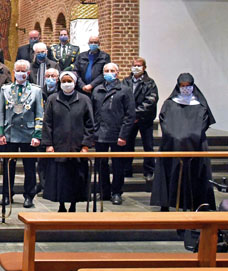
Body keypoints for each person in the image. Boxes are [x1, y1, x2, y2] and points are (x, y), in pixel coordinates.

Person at [151, 73, 216, 211]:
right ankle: (167, 202)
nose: (185, 88)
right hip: (172, 144)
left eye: (188, 86)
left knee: (196, 174)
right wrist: (176, 137)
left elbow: (203, 124)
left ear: (193, 86)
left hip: (196, 145)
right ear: (178, 86)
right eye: (182, 86)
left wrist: (189, 137)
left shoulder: (200, 105)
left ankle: (197, 203)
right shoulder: (169, 104)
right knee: (170, 173)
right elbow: (165, 122)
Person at [42, 71, 95, 212]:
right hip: (58, 145)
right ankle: (61, 205)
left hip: (77, 146)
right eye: (64, 81)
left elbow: (90, 123)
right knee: (60, 178)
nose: (67, 84)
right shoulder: (53, 99)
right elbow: (47, 123)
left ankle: (73, 205)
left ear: (75, 82)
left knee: (75, 178)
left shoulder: (84, 100)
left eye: (69, 81)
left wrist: (85, 145)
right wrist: (48, 144)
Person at [0, 59, 44, 208]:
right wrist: (0, 133)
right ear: (14, 72)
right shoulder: (6, 89)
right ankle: (7, 194)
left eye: (24, 71)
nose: (21, 73)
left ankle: (29, 195)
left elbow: (39, 114)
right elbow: (0, 112)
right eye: (18, 70)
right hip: (10, 132)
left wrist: (37, 135)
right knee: (8, 167)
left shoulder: (36, 90)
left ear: (28, 73)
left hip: (28, 134)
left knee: (29, 168)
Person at [91, 62, 135, 205]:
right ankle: (104, 191)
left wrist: (123, 135)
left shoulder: (125, 90)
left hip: (117, 133)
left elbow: (130, 115)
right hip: (100, 133)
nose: (109, 72)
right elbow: (92, 113)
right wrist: (93, 132)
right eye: (106, 70)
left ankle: (117, 192)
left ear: (117, 72)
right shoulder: (97, 90)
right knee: (101, 165)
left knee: (118, 165)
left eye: (112, 70)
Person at [121, 57, 158, 181]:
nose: (136, 67)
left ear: (144, 68)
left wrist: (135, 115)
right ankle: (126, 169)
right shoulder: (125, 81)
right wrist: (130, 116)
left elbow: (150, 101)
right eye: (134, 65)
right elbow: (121, 99)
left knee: (148, 145)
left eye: (139, 65)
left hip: (144, 119)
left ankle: (149, 170)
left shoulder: (150, 83)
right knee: (127, 146)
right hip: (129, 120)